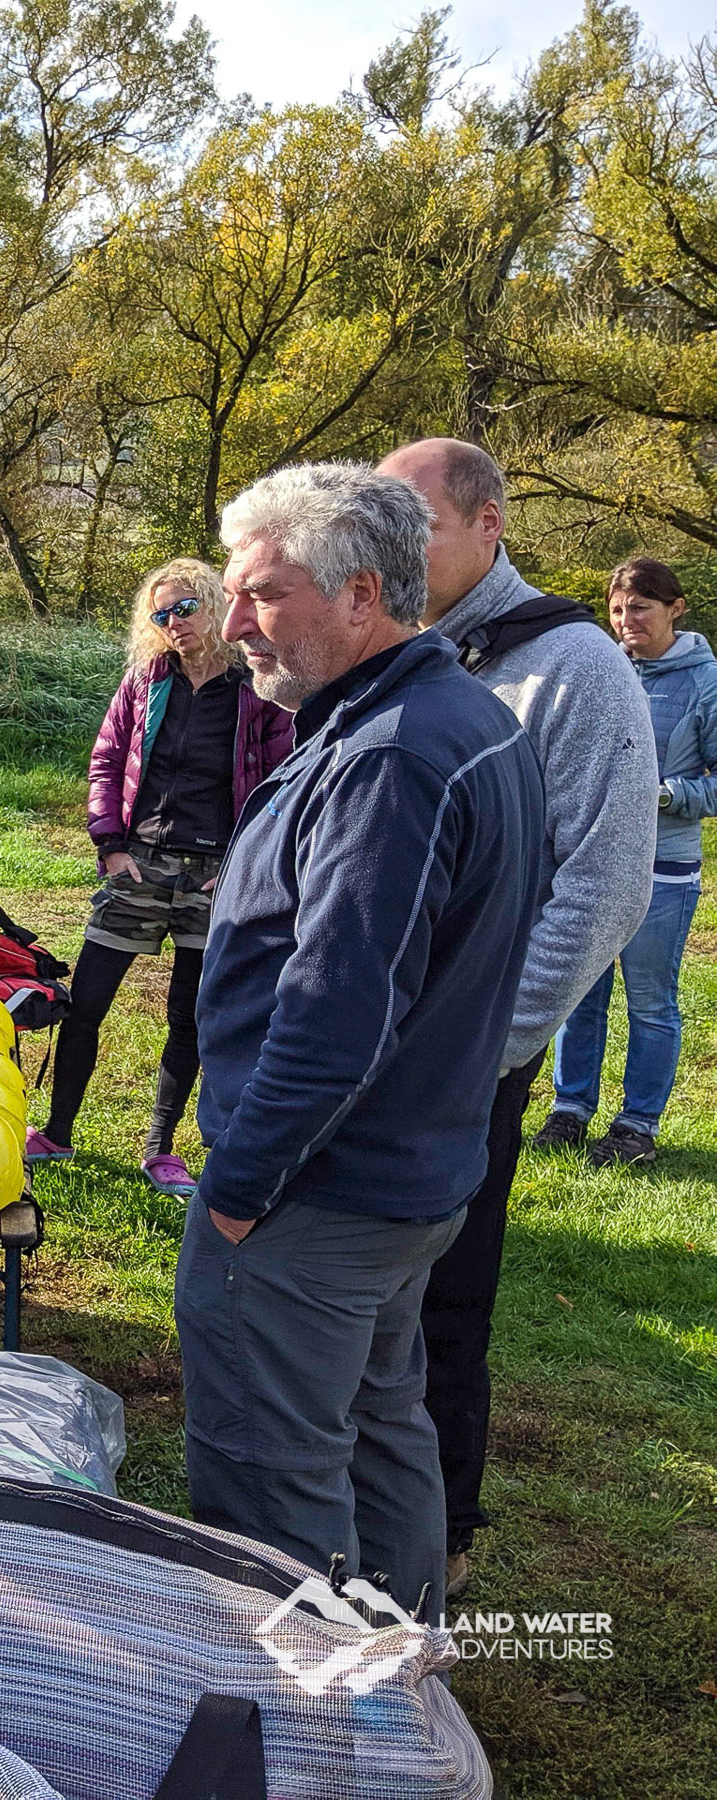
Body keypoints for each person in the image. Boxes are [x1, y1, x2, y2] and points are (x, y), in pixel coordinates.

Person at [179, 462, 545, 1625]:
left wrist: (237, 1190)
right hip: (403, 1184)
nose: (236, 622)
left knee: (273, 1497)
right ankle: (405, 1700)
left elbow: (338, 1012)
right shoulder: (449, 718)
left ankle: (317, 1734)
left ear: (364, 596)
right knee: (388, 1440)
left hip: (314, 1202)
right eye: (236, 594)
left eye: (266, 594)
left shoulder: (392, 753)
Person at [375, 437, 657, 1598]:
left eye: (417, 528)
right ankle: (356, 1519)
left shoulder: (573, 664)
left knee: (445, 1305)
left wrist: (493, 1046)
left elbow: (608, 879)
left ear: (489, 526)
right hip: (369, 1043)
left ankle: (435, 1560)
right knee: (361, 1298)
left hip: (468, 1057)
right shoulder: (395, 644)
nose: (391, 553)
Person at [33, 559, 294, 1192]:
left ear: (213, 605)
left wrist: (240, 864)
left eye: (184, 609)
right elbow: (106, 762)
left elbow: (281, 779)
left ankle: (161, 1146)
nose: (173, 624)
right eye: (160, 615)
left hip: (216, 875)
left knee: (191, 1016)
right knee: (86, 1001)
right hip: (139, 863)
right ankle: (57, 1132)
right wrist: (110, 844)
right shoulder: (146, 682)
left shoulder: (256, 688)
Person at [540, 556, 717, 1167]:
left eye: (640, 607)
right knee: (577, 990)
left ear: (676, 609)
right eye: (617, 609)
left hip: (662, 869)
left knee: (650, 1000)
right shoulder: (604, 669)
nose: (625, 621)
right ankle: (569, 1110)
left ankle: (637, 1124)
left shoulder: (706, 681)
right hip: (586, 861)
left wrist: (663, 793)